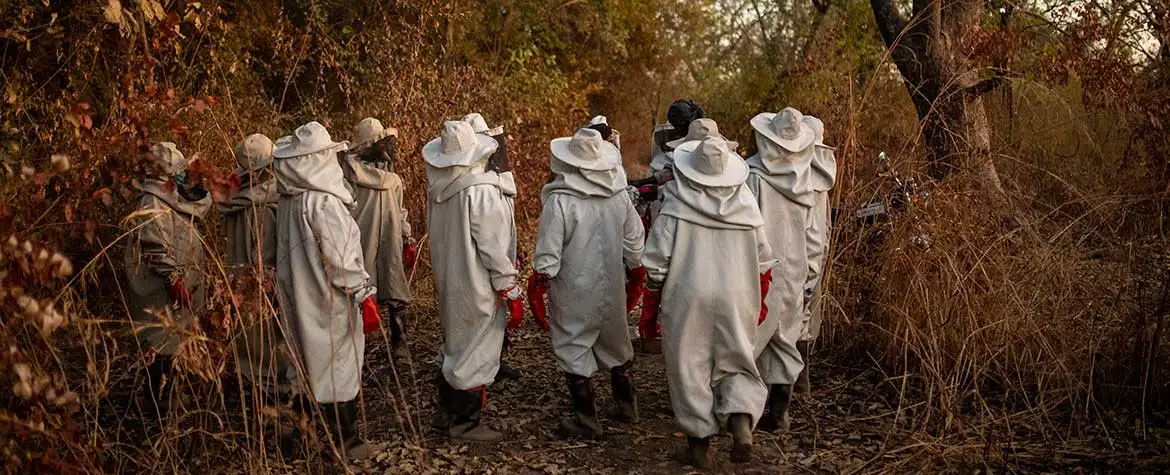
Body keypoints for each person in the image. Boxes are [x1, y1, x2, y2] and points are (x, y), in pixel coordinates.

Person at [641, 135, 775, 467]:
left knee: (690, 366)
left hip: (688, 296)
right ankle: (741, 420)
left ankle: (698, 447)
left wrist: (652, 304)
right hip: (738, 294)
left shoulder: (675, 204)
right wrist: (760, 298)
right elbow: (763, 261)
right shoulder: (746, 202)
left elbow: (656, 264)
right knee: (737, 358)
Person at [273, 121, 382, 461]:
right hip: (330, 299)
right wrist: (363, 293)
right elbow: (341, 260)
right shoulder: (323, 203)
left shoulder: (292, 200)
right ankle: (345, 442)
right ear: (319, 159)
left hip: (300, 294)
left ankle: (297, 437)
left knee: (305, 363)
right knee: (338, 366)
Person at [528, 128, 645, 439]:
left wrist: (541, 280)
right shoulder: (619, 197)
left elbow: (548, 255)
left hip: (573, 288)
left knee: (573, 344)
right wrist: (635, 272)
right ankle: (627, 406)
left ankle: (587, 419)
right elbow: (635, 244)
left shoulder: (560, 202)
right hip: (612, 283)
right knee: (616, 339)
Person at [424, 120, 523, 442]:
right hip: (478, 282)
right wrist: (509, 284)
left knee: (455, 343)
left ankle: (446, 411)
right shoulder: (479, 191)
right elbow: (492, 246)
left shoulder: (439, 191)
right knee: (478, 348)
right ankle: (466, 423)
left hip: (450, 279)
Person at [745, 107, 834, 431]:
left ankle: (743, 414)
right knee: (785, 337)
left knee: (749, 339)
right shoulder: (807, 183)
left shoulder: (752, 176)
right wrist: (809, 274)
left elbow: (745, 227)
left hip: (758, 270)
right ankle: (779, 411)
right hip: (795, 270)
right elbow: (814, 236)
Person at [123, 142, 212, 418]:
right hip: (160, 289)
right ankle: (155, 400)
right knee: (161, 342)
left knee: (175, 340)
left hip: (177, 283)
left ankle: (168, 396)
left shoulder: (170, 196)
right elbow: (155, 246)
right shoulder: (151, 200)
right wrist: (174, 280)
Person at [221, 134, 297, 396]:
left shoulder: (235, 197)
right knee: (268, 342)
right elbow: (263, 255)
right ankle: (271, 397)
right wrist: (272, 285)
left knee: (250, 339)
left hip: (239, 280)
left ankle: (252, 384)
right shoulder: (262, 205)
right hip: (261, 285)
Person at [341, 117, 416, 360]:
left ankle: (395, 342)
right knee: (370, 285)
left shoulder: (389, 178)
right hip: (364, 236)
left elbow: (400, 209)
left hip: (382, 236)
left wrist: (407, 236)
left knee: (388, 284)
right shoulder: (350, 176)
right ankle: (366, 345)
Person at [462, 112, 523, 382]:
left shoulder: (495, 179)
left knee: (495, 315)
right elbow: (486, 236)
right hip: (479, 266)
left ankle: (498, 359)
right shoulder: (472, 187)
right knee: (481, 317)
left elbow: (505, 220)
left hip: (496, 258)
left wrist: (513, 253)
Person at [798, 114, 836, 394]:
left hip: (799, 253)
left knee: (793, 315)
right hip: (816, 252)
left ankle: (794, 380)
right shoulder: (824, 175)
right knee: (807, 315)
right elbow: (825, 227)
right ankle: (801, 379)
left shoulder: (796, 174)